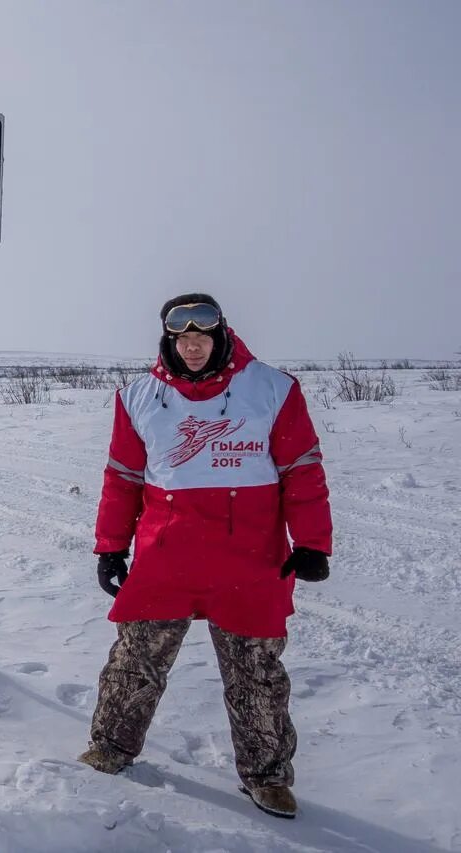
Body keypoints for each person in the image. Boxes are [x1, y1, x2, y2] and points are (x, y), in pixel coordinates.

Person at [78, 293, 333, 819]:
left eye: (203, 337)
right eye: (183, 338)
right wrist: (110, 547)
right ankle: (111, 747)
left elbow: (302, 469)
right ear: (169, 340)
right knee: (135, 660)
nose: (193, 347)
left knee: (256, 672)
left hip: (250, 559)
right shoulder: (138, 397)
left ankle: (267, 776)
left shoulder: (272, 389)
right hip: (165, 554)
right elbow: (122, 479)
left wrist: (311, 542)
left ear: (221, 335)